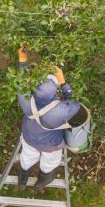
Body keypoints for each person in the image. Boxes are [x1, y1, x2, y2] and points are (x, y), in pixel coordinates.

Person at [16, 46, 88, 191]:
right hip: (51, 144)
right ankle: (43, 179)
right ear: (55, 90)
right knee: (49, 162)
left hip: (29, 137)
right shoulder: (61, 110)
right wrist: (63, 83)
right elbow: (75, 102)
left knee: (27, 156)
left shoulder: (26, 101)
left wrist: (22, 61)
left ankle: (23, 176)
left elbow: (20, 84)